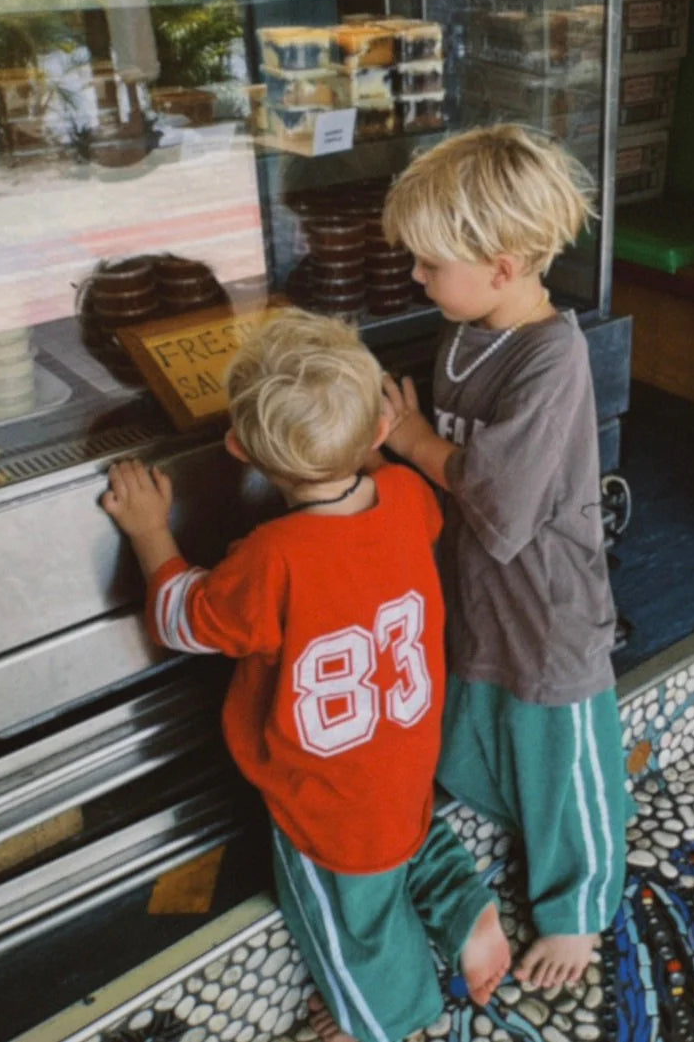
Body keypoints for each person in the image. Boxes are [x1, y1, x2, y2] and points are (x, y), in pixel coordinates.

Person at [101, 309, 510, 1042]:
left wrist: (149, 531)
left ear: (238, 449)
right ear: (378, 433)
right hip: (408, 750)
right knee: (406, 832)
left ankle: (390, 1016)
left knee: (355, 916)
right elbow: (382, 490)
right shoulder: (410, 499)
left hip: (325, 796)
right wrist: (371, 448)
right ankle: (465, 910)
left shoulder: (271, 558)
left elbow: (180, 618)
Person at [380, 125, 629, 991]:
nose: (413, 276)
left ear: (504, 263)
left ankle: (580, 907)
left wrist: (413, 440)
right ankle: (512, 821)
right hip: (487, 595)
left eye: (427, 261)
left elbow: (498, 500)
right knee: (488, 723)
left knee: (567, 761)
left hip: (551, 611)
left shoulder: (551, 357)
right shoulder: (465, 331)